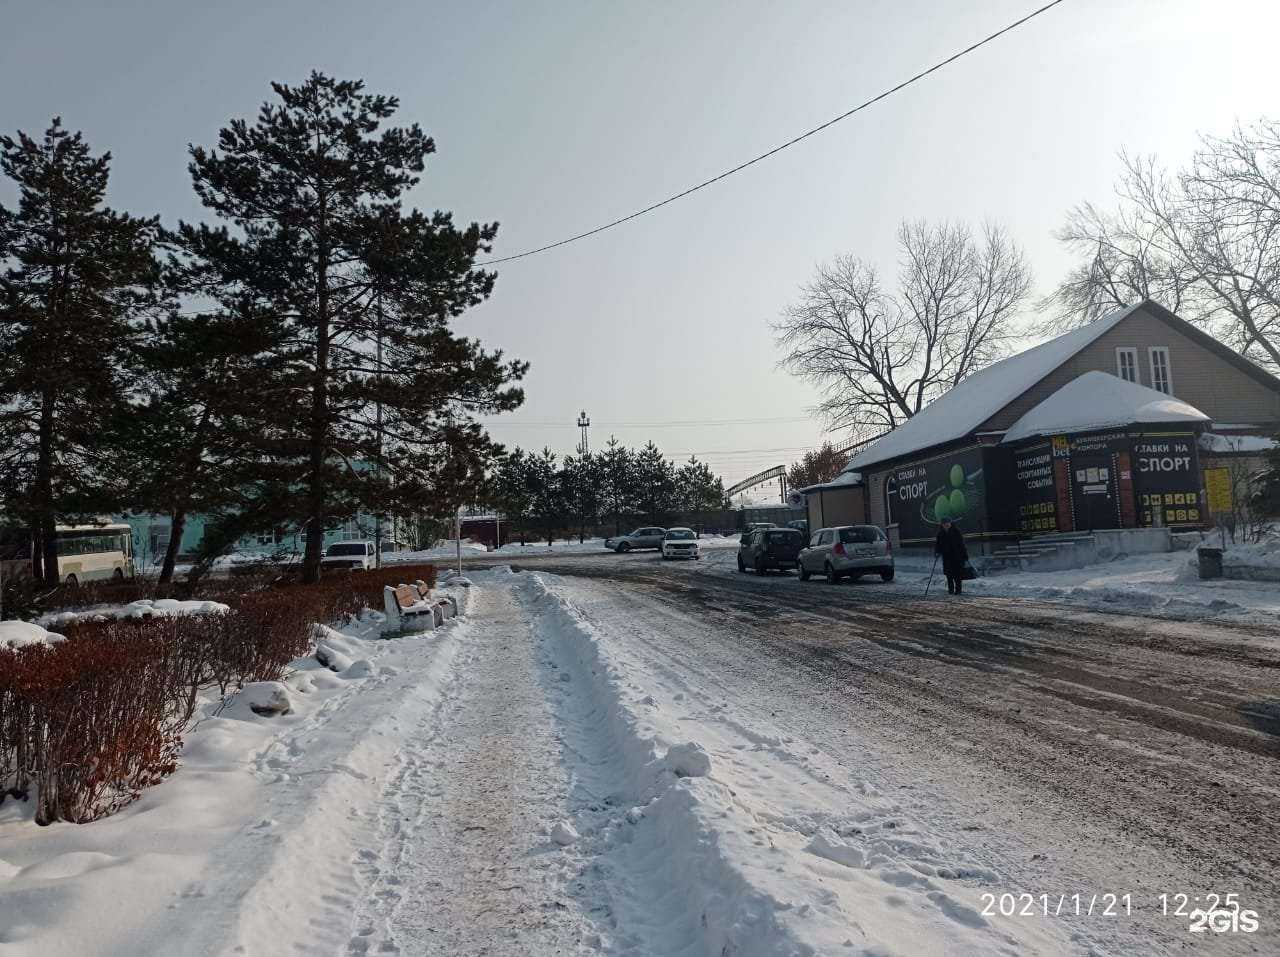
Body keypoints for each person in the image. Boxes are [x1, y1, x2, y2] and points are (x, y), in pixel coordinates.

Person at [934, 517, 969, 595]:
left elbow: (962, 545)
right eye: (944, 523)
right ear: (942, 525)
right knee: (949, 574)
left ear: (950, 523)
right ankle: (950, 590)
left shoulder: (956, 532)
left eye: (948, 523)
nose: (946, 525)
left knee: (957, 574)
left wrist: (965, 555)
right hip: (946, 557)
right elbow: (938, 545)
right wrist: (937, 552)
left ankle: (958, 590)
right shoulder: (940, 534)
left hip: (957, 556)